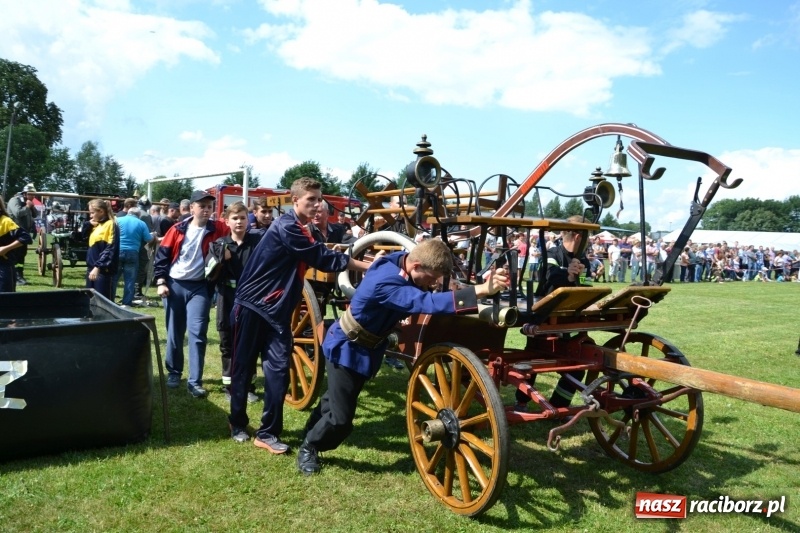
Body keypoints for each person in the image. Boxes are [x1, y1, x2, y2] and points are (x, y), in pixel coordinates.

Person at [296, 238, 510, 475]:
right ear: (416, 266)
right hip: (347, 347)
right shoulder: (387, 282)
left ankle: (311, 429)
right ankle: (310, 447)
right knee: (341, 419)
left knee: (335, 399)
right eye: (430, 278)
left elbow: (425, 288)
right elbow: (424, 302)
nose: (431, 284)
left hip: (367, 348)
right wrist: (482, 290)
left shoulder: (401, 260)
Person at [227, 177, 371, 453]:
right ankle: (237, 422)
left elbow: (323, 247)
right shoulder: (287, 226)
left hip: (278, 311)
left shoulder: (304, 228)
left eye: (320, 200)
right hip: (253, 306)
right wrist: (366, 266)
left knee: (279, 372)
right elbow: (323, 257)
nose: (318, 205)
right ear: (295, 201)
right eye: (311, 200)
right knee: (242, 369)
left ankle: (267, 433)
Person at [154, 190, 230, 398]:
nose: (206, 210)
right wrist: (161, 281)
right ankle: (174, 372)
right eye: (202, 206)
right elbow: (162, 257)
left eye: (209, 207)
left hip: (200, 288)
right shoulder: (177, 230)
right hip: (175, 284)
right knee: (175, 332)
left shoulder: (220, 228)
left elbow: (240, 230)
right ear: (192, 208)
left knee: (198, 334)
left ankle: (195, 381)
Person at [515, 215, 591, 412]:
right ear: (577, 236)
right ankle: (522, 400)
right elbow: (549, 275)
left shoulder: (582, 258)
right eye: (587, 235)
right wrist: (568, 274)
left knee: (578, 363)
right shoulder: (552, 253)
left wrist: (580, 274)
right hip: (545, 317)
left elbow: (586, 280)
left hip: (570, 317)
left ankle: (559, 404)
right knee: (533, 360)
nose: (589, 239)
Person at [207, 202, 262, 404]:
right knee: (227, 342)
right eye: (235, 218)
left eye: (242, 218)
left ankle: (248, 386)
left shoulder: (257, 242)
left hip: (251, 300)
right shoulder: (219, 244)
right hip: (227, 298)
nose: (239, 222)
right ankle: (230, 387)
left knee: (249, 343)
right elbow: (208, 273)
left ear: (248, 220)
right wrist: (221, 259)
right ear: (227, 221)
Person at [79, 199, 119, 299]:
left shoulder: (111, 224)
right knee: (90, 300)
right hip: (91, 268)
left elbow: (110, 249)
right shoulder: (95, 225)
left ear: (101, 211)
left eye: (92, 213)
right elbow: (81, 239)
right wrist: (87, 225)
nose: (90, 216)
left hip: (102, 271)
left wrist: (98, 267)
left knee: (103, 302)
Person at [114, 203, 153, 306]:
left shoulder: (117, 220)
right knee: (130, 279)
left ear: (128, 212)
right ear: (138, 215)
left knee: (114, 278)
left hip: (117, 251)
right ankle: (126, 303)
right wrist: (154, 236)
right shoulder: (141, 223)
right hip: (133, 252)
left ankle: (110, 300)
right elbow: (148, 239)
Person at [7, 184, 38, 285]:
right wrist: (28, 206)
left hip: (23, 233)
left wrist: (31, 207)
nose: (33, 197)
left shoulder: (28, 202)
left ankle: (19, 275)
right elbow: (17, 213)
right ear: (25, 194)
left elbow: (36, 214)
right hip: (14, 233)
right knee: (15, 255)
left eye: (34, 195)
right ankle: (15, 277)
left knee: (21, 256)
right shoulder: (14, 200)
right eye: (31, 194)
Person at [0, 196, 33, 292]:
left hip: (3, 267)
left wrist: (5, 249)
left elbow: (25, 238)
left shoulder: (6, 222)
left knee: (5, 301)